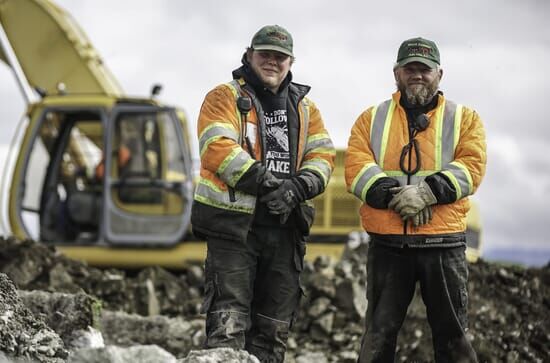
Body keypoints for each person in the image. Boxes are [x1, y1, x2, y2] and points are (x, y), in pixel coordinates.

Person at [191, 25, 335, 362]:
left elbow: (323, 156)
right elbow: (217, 148)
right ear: (249, 54)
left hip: (285, 232)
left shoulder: (306, 108)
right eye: (265, 54)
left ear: (291, 61)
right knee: (228, 324)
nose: (272, 61)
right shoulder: (223, 97)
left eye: (280, 56)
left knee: (272, 333)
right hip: (234, 230)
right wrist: (272, 185)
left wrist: (297, 188)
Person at [345, 37, 486, 362]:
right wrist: (399, 196)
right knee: (378, 337)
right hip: (389, 245)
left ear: (439, 73)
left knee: (453, 340)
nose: (417, 75)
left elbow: (472, 165)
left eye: (424, 69)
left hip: (443, 245)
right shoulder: (371, 119)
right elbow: (356, 166)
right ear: (397, 73)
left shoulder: (465, 119)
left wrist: (426, 193)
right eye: (410, 69)